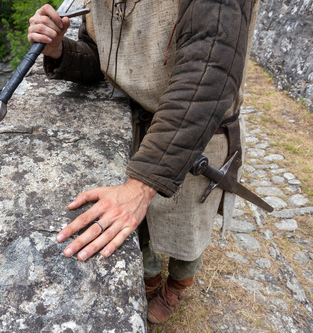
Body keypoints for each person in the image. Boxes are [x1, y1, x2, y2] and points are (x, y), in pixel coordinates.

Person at [28, 0, 259, 324]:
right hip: (140, 128)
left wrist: (141, 184)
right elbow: (104, 58)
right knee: (141, 224)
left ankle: (177, 284)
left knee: (189, 233)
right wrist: (59, 50)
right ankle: (149, 274)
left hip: (201, 133)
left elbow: (209, 71)